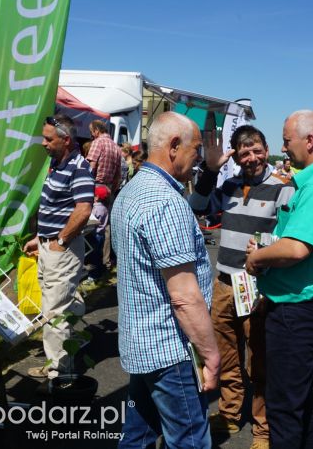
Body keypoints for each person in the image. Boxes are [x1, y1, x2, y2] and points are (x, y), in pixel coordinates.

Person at [244, 110, 313, 448]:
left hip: (298, 307)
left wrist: (257, 258)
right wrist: (268, 246)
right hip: (301, 304)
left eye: (287, 140)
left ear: (308, 141)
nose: (283, 147)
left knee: (284, 407)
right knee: (297, 396)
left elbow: (297, 249)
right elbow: (294, 241)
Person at [112, 112, 219, 448]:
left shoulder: (133, 189)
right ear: (174, 146)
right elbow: (184, 296)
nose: (199, 158)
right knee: (189, 440)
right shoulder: (165, 201)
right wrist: (211, 355)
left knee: (138, 434)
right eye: (196, 149)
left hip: (141, 342)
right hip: (169, 349)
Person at [188, 124, 294, 449]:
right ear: (236, 155)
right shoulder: (229, 185)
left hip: (259, 286)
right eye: (244, 152)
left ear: (266, 148)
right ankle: (230, 414)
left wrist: (265, 254)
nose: (252, 157)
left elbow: (291, 237)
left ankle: (263, 430)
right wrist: (209, 169)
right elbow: (197, 206)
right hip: (224, 282)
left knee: (260, 357)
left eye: (257, 149)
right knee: (225, 353)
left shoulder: (283, 187)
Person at [23, 114, 93, 379]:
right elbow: (55, 207)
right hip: (49, 245)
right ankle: (69, 350)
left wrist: (61, 241)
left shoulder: (78, 167)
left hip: (60, 249)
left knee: (55, 312)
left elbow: (84, 209)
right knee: (59, 304)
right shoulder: (56, 163)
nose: (43, 143)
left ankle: (60, 372)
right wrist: (40, 237)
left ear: (65, 140)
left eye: (48, 139)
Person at [86, 120, 122, 271]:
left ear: (96, 131)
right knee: (105, 226)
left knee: (91, 225)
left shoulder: (97, 142)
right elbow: (118, 175)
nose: (91, 135)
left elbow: (91, 167)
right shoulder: (116, 147)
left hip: (95, 186)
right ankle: (105, 260)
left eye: (91, 132)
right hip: (107, 189)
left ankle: (92, 263)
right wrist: (111, 190)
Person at [80, 185, 110, 292]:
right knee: (98, 254)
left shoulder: (96, 208)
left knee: (93, 256)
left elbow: (90, 220)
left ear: (96, 197)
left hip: (95, 235)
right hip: (101, 234)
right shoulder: (104, 207)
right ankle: (100, 272)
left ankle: (93, 276)